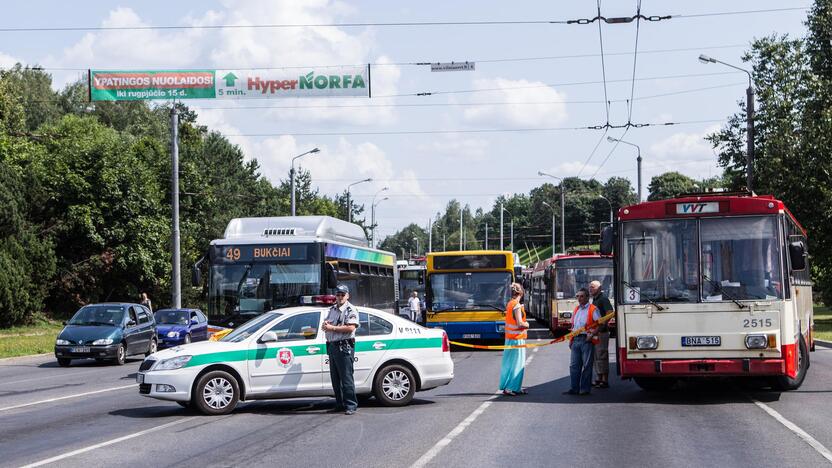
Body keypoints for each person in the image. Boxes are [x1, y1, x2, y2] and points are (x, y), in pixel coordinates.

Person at [323, 284, 359, 415]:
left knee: (346, 378)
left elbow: (350, 328)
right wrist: (325, 325)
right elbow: (327, 324)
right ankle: (339, 403)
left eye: (343, 294)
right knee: (335, 378)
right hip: (332, 346)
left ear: (347, 295)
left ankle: (351, 405)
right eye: (338, 294)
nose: (340, 297)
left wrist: (331, 328)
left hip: (344, 347)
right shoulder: (332, 309)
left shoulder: (350, 310)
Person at [563, 287, 600, 396]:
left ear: (587, 297)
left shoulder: (593, 309)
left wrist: (592, 335)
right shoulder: (576, 309)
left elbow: (600, 324)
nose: (579, 298)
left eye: (582, 296)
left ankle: (584, 389)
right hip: (576, 340)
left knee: (587, 365)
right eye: (577, 296)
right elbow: (573, 326)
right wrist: (571, 340)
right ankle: (574, 389)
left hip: (586, 340)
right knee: (574, 366)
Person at [499, 283, 530, 396]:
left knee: (509, 363)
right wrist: (527, 325)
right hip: (517, 339)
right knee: (518, 364)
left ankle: (512, 386)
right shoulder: (516, 305)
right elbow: (519, 323)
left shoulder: (510, 304)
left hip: (510, 338)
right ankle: (512, 387)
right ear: (521, 292)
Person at [590, 280, 614, 389]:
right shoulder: (595, 299)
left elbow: (610, 312)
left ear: (599, 288)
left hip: (602, 332)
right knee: (596, 356)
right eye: (590, 287)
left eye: (593, 287)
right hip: (595, 332)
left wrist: (603, 323)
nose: (590, 289)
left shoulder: (603, 299)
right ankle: (599, 378)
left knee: (602, 355)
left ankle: (605, 380)